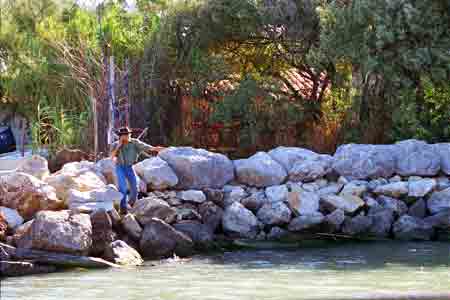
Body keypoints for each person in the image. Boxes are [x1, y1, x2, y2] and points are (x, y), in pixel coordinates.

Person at [111, 127, 164, 214]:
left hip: (130, 167)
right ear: (120, 136)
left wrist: (160, 149)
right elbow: (111, 156)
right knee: (123, 188)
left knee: (135, 187)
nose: (126, 136)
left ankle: (132, 205)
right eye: (124, 135)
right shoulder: (116, 144)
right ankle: (123, 209)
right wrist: (118, 146)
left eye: (128, 134)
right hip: (119, 167)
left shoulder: (135, 143)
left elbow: (148, 148)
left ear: (130, 135)